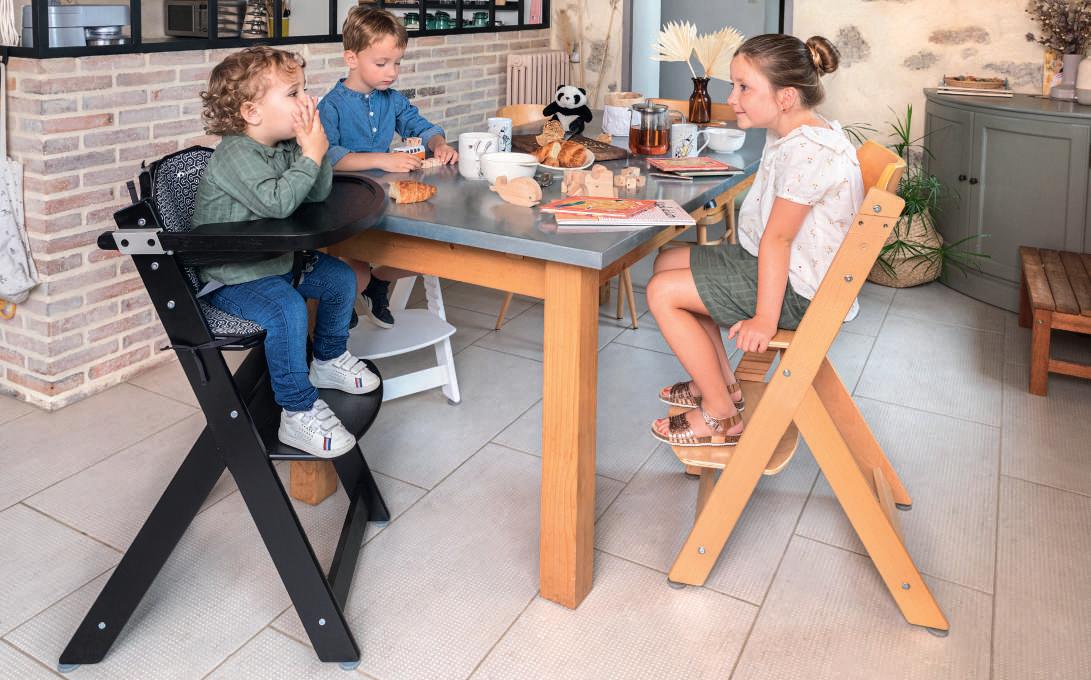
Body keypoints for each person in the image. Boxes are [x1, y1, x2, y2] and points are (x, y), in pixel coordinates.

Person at [648, 34, 864, 447]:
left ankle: (720, 415)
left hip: (802, 293)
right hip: (788, 270)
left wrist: (765, 320)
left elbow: (778, 240)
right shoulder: (791, 134)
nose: (732, 98)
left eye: (744, 87)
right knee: (667, 261)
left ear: (785, 97)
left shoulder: (809, 151)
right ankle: (722, 384)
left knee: (662, 291)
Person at [195, 46, 380, 458]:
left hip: (274, 262)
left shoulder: (282, 147)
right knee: (287, 309)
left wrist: (314, 151)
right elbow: (278, 203)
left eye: (304, 90)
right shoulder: (235, 154)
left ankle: (328, 358)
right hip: (233, 277)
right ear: (251, 112)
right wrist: (311, 154)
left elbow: (315, 194)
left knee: (339, 278)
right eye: (293, 93)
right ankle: (297, 411)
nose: (307, 100)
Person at [318, 6, 458, 328]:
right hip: (343, 203)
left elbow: (420, 126)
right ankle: (342, 309)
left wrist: (439, 144)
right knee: (355, 274)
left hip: (385, 196)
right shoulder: (332, 105)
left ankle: (378, 284)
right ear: (351, 58)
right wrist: (382, 159)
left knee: (431, 252)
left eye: (397, 63)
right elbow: (329, 157)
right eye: (381, 64)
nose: (392, 72)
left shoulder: (392, 100)